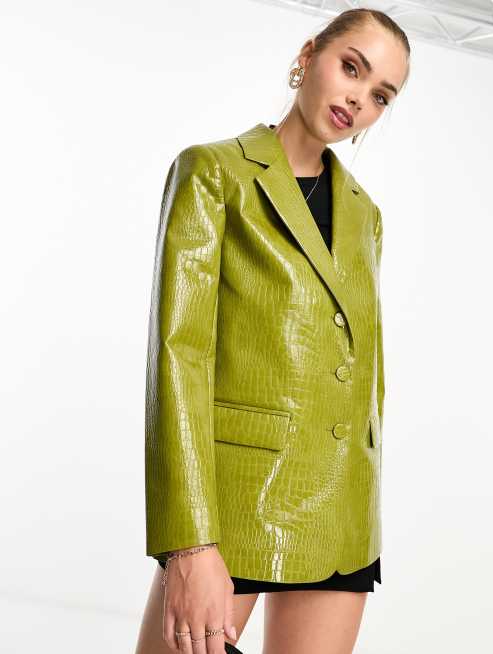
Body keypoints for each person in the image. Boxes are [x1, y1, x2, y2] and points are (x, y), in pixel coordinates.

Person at [135, 8, 410, 654]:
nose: (358, 100)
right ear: (308, 56)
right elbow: (179, 360)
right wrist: (190, 542)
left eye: (380, 96)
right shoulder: (213, 172)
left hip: (341, 510)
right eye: (351, 68)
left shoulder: (365, 215)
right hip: (236, 507)